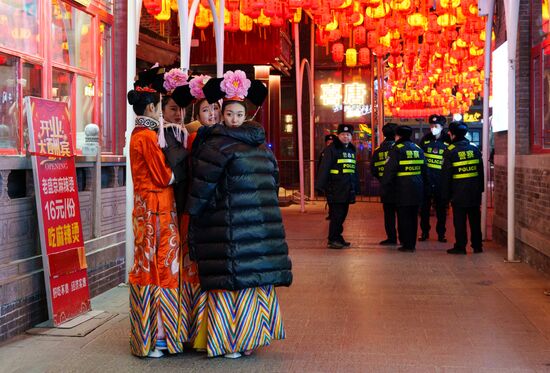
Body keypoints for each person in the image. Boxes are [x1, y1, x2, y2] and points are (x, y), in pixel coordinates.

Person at [185, 70, 292, 358]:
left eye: (237, 115)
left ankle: (231, 341)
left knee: (232, 285)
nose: (232, 119)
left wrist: (192, 218)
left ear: (244, 116)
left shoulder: (215, 145)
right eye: (229, 114)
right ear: (223, 114)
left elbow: (201, 188)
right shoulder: (260, 145)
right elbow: (274, 182)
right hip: (258, 228)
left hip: (228, 226)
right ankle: (250, 338)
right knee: (252, 282)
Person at [127, 66, 184, 358]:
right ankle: (159, 337)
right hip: (156, 209)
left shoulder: (139, 134)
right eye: (161, 106)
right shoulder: (147, 137)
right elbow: (163, 176)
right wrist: (178, 172)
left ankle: (147, 336)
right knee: (161, 268)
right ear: (151, 107)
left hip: (144, 209)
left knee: (147, 266)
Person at [381, 125, 427, 252]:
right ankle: (411, 244)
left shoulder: (396, 149)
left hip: (402, 189)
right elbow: (425, 170)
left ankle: (406, 244)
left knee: (404, 218)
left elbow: (389, 171)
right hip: (417, 189)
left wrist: (385, 187)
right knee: (413, 217)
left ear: (398, 136)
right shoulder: (418, 148)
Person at [441, 121, 484, 255]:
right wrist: (480, 189)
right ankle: (477, 246)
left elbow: (446, 176)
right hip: (474, 192)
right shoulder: (474, 148)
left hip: (458, 193)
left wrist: (445, 196)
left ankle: (460, 246)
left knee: (460, 221)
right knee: (475, 220)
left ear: (452, 134)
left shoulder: (450, 151)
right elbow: (480, 171)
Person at [315, 124, 361, 249]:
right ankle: (333, 239)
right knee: (336, 215)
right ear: (338, 135)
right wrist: (320, 186)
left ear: (351, 136)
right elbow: (324, 168)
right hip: (335, 187)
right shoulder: (331, 149)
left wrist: (356, 186)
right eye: (343, 134)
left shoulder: (351, 149)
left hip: (347, 188)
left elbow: (353, 169)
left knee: (342, 214)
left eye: (348, 135)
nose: (346, 137)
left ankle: (338, 237)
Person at [418, 114, 451, 242]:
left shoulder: (448, 141)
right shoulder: (425, 139)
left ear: (442, 127)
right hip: (426, 181)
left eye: (436, 126)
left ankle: (441, 234)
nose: (433, 128)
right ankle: (424, 232)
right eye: (431, 125)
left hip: (441, 181)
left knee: (441, 210)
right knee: (424, 209)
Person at [371, 123, 398, 245]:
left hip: (386, 188)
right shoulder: (400, 148)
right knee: (402, 214)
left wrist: (382, 179)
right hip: (401, 187)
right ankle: (403, 238)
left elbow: (374, 170)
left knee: (389, 215)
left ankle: (391, 238)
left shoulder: (378, 151)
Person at [318, 133, 337, 220]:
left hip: (336, 179)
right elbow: (320, 166)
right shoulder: (323, 153)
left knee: (335, 198)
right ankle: (331, 213)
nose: (330, 143)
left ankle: (334, 213)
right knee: (329, 198)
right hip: (327, 179)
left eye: (332, 142)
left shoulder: (337, 152)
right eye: (328, 142)